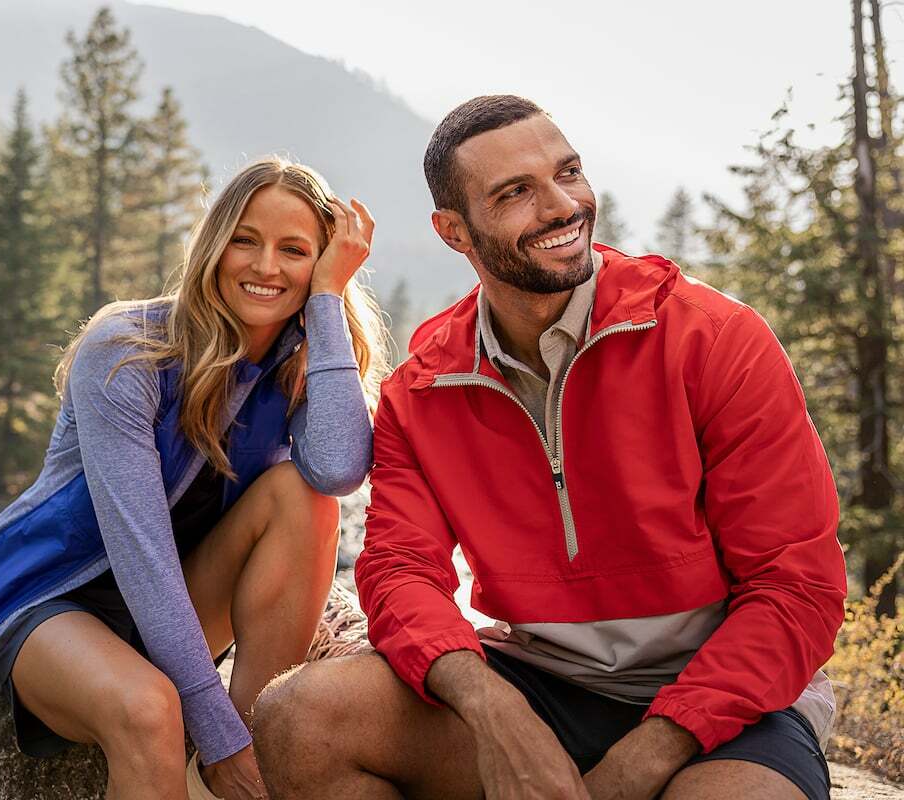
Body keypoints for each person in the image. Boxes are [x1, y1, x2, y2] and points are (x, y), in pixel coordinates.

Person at [252, 96, 846, 800]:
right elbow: (399, 571)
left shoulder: (714, 340)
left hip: (728, 705)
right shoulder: (426, 387)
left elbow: (795, 586)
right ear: (454, 232)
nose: (564, 206)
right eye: (516, 194)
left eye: (569, 173)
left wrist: (647, 756)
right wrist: (493, 708)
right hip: (538, 682)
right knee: (299, 718)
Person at [0, 156, 387, 800]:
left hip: (178, 605)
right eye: (245, 240)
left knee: (304, 496)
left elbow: (342, 469)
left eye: (294, 250)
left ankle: (260, 734)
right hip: (53, 602)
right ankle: (226, 744)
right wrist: (210, 727)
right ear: (214, 246)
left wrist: (325, 303)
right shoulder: (127, 349)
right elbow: (141, 555)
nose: (266, 267)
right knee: (151, 709)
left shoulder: (296, 367)